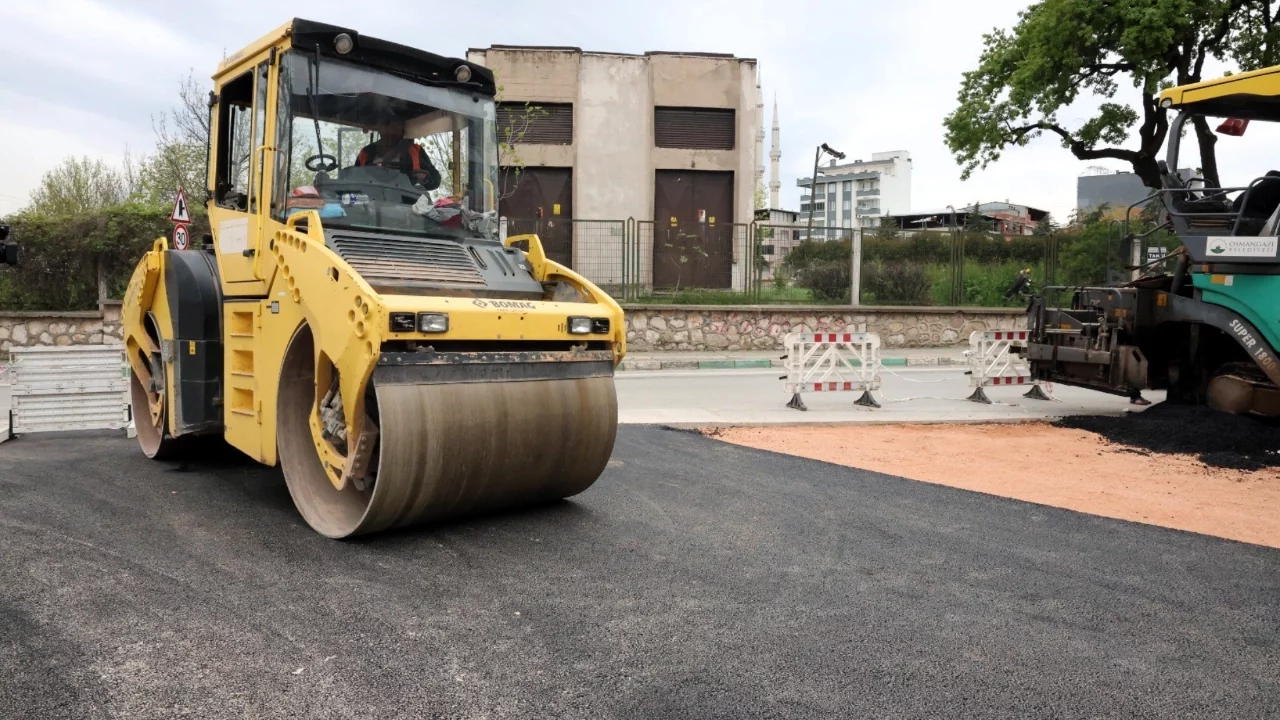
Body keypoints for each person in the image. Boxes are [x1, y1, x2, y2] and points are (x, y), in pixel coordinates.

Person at [354, 121, 442, 191]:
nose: (393, 133)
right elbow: (354, 179)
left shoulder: (415, 151)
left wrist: (425, 177)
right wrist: (371, 171)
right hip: (371, 201)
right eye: (389, 128)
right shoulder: (366, 153)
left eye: (398, 128)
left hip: (406, 203)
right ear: (381, 130)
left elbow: (435, 182)